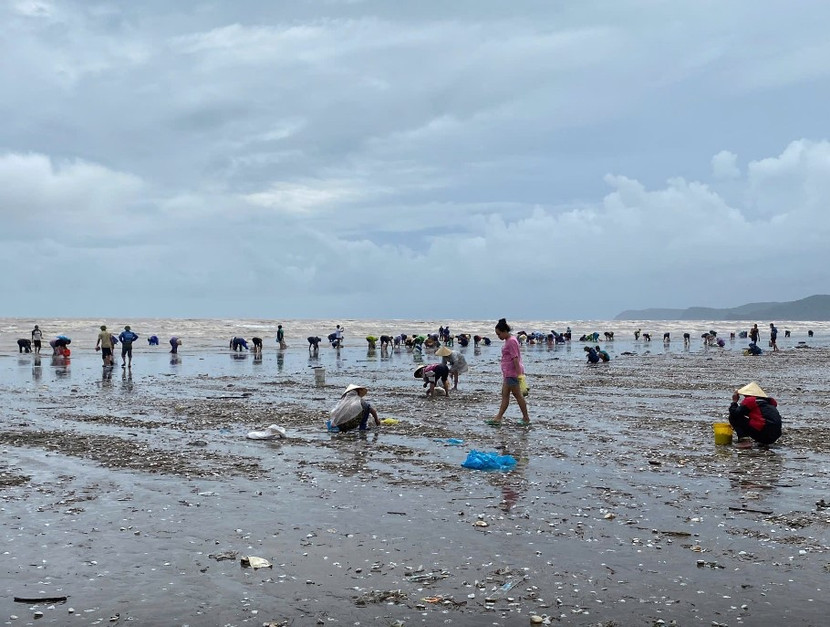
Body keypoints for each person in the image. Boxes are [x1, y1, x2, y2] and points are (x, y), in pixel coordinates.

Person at [485, 318, 530, 426]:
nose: (498, 336)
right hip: (508, 373)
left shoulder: (511, 341)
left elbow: (515, 358)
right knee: (506, 395)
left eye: (499, 334)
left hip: (512, 373)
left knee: (516, 395)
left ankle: (525, 418)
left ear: (505, 331)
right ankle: (499, 417)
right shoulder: (508, 340)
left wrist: (520, 375)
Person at [728, 381, 782, 447]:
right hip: (775, 435)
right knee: (757, 420)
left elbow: (734, 413)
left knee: (733, 417)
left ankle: (744, 440)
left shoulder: (750, 400)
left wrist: (734, 402)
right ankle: (762, 442)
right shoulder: (768, 402)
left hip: (764, 433)